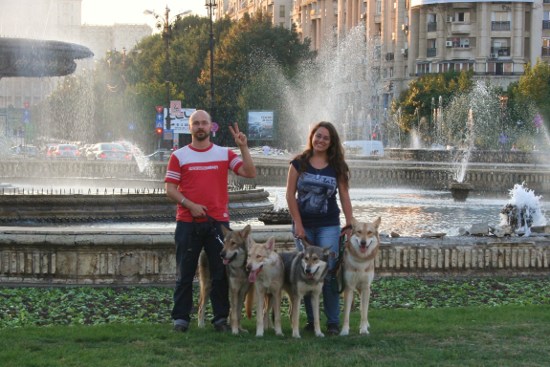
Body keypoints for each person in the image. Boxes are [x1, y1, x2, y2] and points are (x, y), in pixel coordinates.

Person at [165, 109, 257, 332]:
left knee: (220, 273)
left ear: (211, 127)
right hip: (187, 221)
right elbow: (169, 189)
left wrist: (243, 146)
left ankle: (220, 319)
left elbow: (250, 172)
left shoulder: (224, 153)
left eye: (203, 123)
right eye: (195, 123)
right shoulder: (179, 156)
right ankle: (181, 319)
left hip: (218, 223)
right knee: (184, 272)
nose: (200, 127)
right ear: (190, 128)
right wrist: (190, 205)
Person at [285, 121, 353, 336]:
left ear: (331, 142)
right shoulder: (298, 163)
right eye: (318, 136)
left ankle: (333, 322)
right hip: (304, 226)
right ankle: (313, 322)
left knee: (329, 272)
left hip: (328, 226)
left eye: (326, 137)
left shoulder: (337, 166)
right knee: (307, 272)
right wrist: (298, 223)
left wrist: (349, 223)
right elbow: (289, 195)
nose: (321, 140)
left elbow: (344, 196)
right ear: (311, 137)